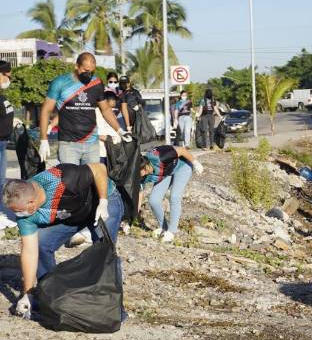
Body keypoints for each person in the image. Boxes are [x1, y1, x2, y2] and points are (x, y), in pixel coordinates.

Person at [4, 163, 124, 319]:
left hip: (102, 201)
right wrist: (28, 293)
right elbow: (29, 250)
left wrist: (103, 202)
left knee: (104, 252)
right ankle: (50, 295)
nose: (17, 216)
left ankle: (112, 307)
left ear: (31, 203)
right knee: (42, 244)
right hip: (71, 213)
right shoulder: (26, 214)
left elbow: (99, 168)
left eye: (18, 211)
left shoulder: (63, 178)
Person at [39, 53, 131, 165]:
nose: (88, 74)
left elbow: (106, 109)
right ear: (76, 66)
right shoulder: (60, 83)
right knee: (71, 180)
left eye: (91, 71)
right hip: (69, 144)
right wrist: (43, 139)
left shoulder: (96, 83)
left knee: (92, 181)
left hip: (92, 144)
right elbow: (46, 110)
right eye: (85, 70)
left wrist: (120, 130)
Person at [139, 145, 204, 243]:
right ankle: (163, 228)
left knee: (174, 197)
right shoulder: (140, 175)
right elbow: (140, 193)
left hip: (183, 166)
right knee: (153, 200)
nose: (141, 176)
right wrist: (132, 218)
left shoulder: (159, 157)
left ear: (145, 166)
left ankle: (171, 232)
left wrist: (195, 162)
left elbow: (182, 150)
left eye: (142, 172)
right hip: (167, 172)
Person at [0, 61, 17, 230]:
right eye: (7, 75)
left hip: (3, 143)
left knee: (0, 181)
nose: (8, 79)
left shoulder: (2, 96)